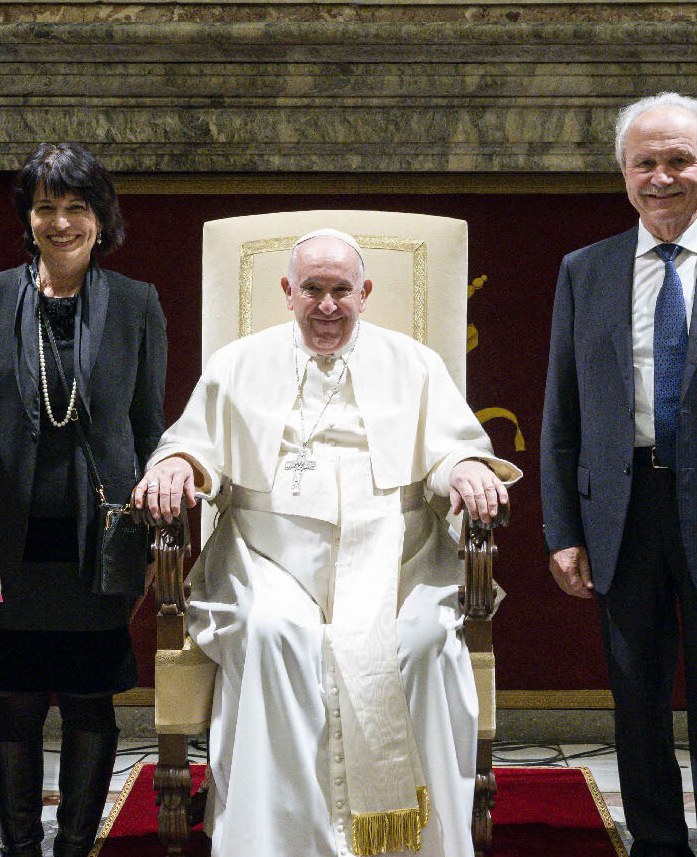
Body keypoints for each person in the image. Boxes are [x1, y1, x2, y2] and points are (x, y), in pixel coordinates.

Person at [136, 229, 516, 857]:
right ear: (288, 292)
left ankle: (411, 844)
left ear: (365, 293)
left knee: (418, 642)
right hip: (270, 556)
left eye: (342, 290)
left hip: (398, 554)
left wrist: (469, 467)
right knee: (273, 635)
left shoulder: (414, 363)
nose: (327, 305)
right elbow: (195, 442)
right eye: (312, 289)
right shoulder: (239, 363)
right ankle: (282, 842)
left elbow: (452, 447)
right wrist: (177, 462)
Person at [540, 92, 697, 857]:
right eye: (644, 162)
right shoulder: (586, 270)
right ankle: (654, 843)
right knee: (637, 706)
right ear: (623, 172)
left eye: (678, 160)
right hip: (623, 513)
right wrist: (564, 529)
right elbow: (562, 410)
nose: (661, 177)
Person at [0, 142, 167, 857]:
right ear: (28, 216)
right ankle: (18, 850)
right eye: (47, 207)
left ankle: (74, 847)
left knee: (88, 702)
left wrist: (152, 526)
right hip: (7, 546)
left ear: (102, 219)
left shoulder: (136, 304)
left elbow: (147, 428)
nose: (61, 222)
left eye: (77, 207)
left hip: (93, 545)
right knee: (12, 703)